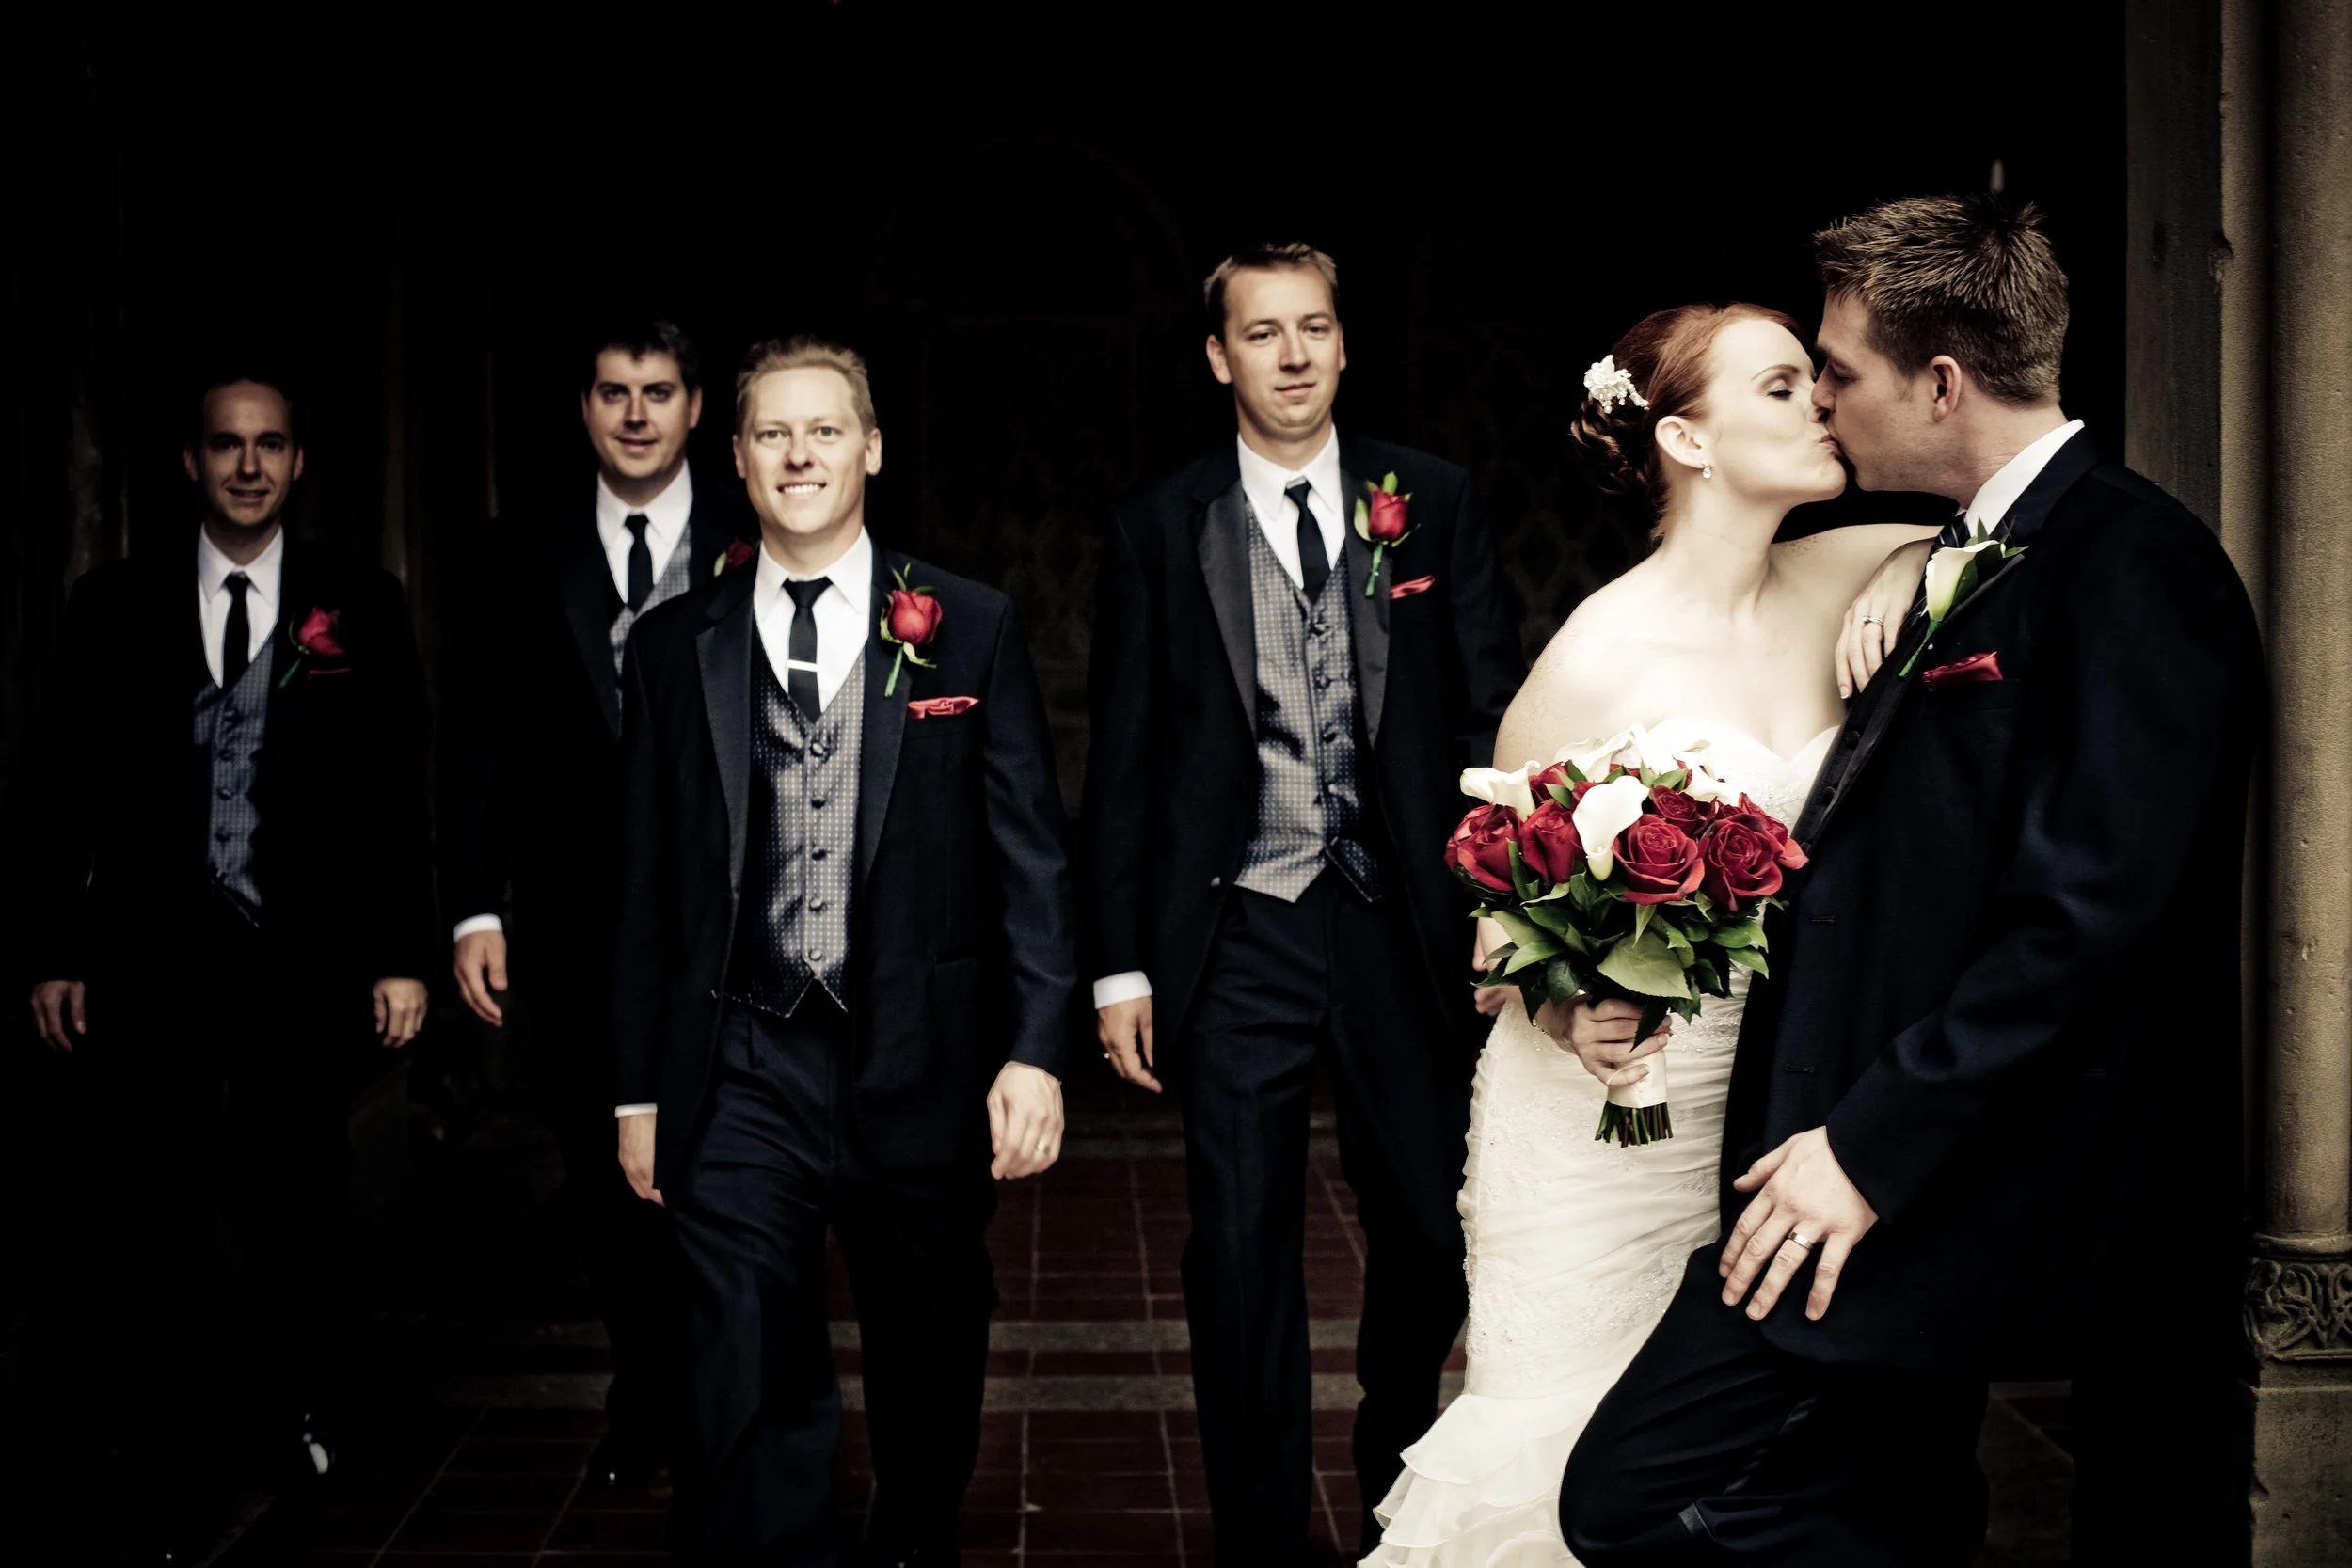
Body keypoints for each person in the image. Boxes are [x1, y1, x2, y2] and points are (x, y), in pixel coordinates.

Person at [1557, 197, 2264, 1566]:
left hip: (1935, 1173)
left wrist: (1868, 1154)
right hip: (1847, 1150)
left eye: (1838, 367)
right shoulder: (1971, 544)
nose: (1822, 394)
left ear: (1941, 384)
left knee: (1625, 1497)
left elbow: (2085, 924)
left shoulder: (2138, 570)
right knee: (1903, 1501)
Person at [1364, 305, 1937, 1565]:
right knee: (1567, 1458)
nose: (1822, 404)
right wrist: (1575, 1003)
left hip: (1768, 1109)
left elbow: (2007, 524)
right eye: (1782, 387)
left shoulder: (1860, 562)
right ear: (1687, 434)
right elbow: (1492, 922)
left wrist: (1909, 569)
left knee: (1727, 1473)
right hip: (1602, 1128)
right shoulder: (1595, 655)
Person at [1083, 242, 1527, 1563]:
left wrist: (1510, 906)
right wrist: (1120, 969)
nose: (1291, 354)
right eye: (1262, 332)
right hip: (1240, 924)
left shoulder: (1430, 502)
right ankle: (1263, 1529)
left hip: (1402, 922)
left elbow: (1497, 710)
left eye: (1314, 328)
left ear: (1343, 345)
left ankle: (1394, 1438)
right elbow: (1123, 761)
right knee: (1237, 1244)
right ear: (1219, 355)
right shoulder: (1160, 526)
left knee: (1432, 1225)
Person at [611, 337, 1076, 1566]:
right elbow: (647, 885)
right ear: (741, 460)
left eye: (826, 430)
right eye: (775, 433)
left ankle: (914, 1533)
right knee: (745, 1355)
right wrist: (638, 1085)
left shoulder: (965, 623)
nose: (800, 452)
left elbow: (1028, 851)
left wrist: (1035, 1048)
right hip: (743, 1052)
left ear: (871, 448)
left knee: (926, 1345)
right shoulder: (673, 647)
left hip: (916, 1051)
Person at [13, 367, 435, 1561]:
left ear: (299, 463)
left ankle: (296, 1401)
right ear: (192, 464)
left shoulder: (363, 602)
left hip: (299, 963)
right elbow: (58, 790)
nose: (248, 464)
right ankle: (170, 1439)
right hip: (153, 962)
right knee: (152, 1210)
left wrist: (403, 950)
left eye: (270, 446)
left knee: (296, 1198)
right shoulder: (113, 603)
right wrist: (54, 946)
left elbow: (400, 792)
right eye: (225, 445)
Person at [439, 317, 749, 1489]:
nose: (634, 414)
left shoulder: (749, 533)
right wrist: (475, 904)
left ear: (694, 406)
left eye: (657, 391)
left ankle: (718, 1395)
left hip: (723, 914)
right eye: (613, 392)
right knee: (603, 1172)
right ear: (584, 408)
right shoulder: (516, 550)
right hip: (571, 920)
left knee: (724, 1161)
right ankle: (648, 1392)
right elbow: (470, 738)